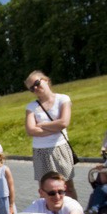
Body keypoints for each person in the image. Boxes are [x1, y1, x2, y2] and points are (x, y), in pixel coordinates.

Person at [24, 70, 78, 199]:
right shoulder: (31, 107)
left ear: (46, 80)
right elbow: (30, 130)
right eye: (32, 88)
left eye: (37, 83)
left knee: (67, 187)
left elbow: (64, 122)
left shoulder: (62, 99)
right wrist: (54, 125)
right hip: (41, 151)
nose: (35, 88)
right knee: (45, 190)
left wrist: (41, 125)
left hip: (60, 147)